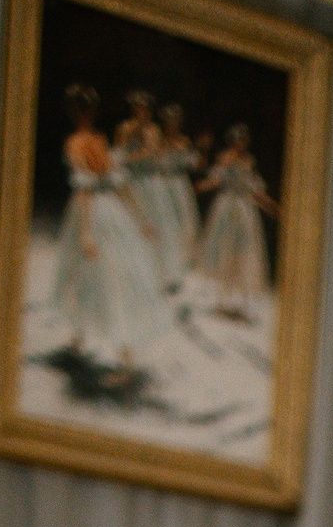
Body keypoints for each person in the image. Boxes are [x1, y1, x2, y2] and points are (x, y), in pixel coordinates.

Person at [49, 83, 167, 371]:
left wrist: (88, 232)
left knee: (104, 277)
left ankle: (124, 356)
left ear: (75, 112)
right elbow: (118, 184)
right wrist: (141, 220)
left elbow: (87, 189)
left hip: (93, 213)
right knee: (90, 276)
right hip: (108, 211)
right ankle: (80, 337)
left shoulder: (78, 143)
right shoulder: (99, 141)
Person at [196, 123, 275, 319]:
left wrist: (270, 206)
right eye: (239, 140)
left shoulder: (249, 160)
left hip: (244, 208)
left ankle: (240, 301)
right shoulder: (225, 158)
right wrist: (200, 186)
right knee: (225, 249)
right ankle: (222, 299)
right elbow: (216, 179)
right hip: (227, 207)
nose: (242, 144)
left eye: (244, 140)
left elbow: (254, 189)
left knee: (245, 251)